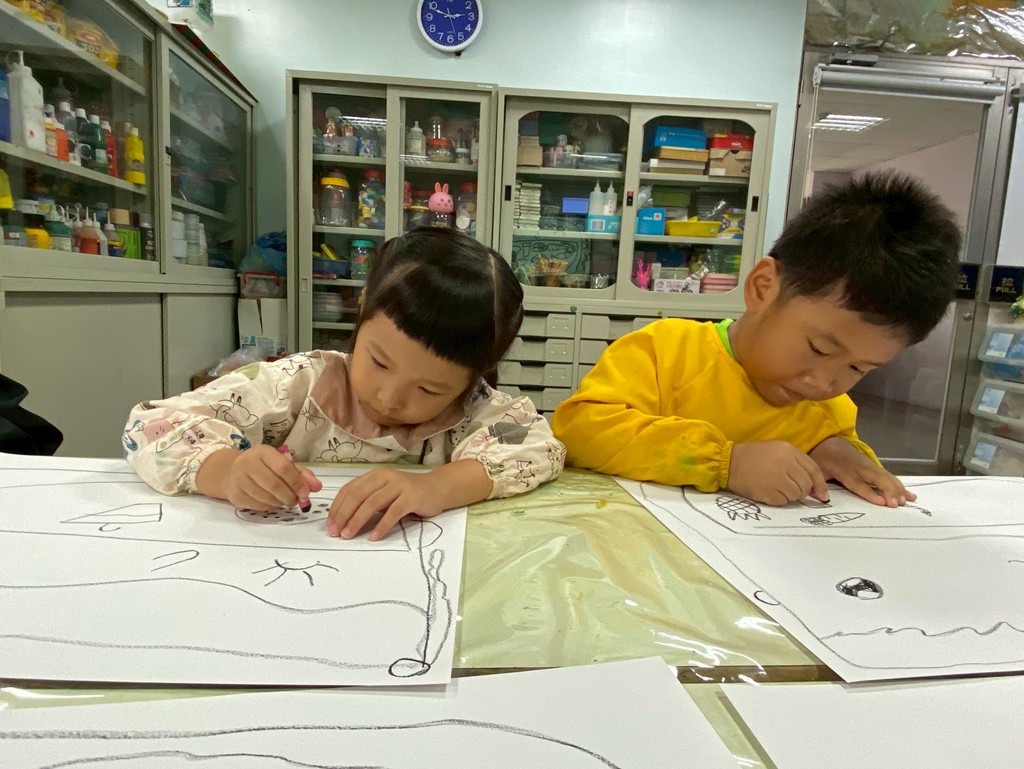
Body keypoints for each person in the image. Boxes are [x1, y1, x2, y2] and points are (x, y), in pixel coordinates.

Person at [552, 171, 961, 507]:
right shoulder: (665, 351)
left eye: (858, 368)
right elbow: (580, 432)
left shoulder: (827, 410)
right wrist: (725, 463)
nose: (823, 383)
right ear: (763, 288)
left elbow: (841, 468)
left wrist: (837, 452)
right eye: (819, 349)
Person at [124, 228, 565, 539]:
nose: (389, 398)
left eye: (429, 390)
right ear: (362, 307)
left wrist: (436, 487)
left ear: (473, 377)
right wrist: (224, 470)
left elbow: (539, 447)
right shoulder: (299, 384)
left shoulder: (475, 410)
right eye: (379, 362)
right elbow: (151, 425)